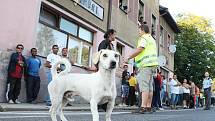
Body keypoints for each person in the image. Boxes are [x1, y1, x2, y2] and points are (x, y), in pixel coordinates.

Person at [124, 24, 158, 113]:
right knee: (150, 87)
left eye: (139, 30)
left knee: (144, 87)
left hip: (145, 65)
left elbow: (140, 49)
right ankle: (148, 106)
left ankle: (143, 107)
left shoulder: (143, 38)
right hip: (153, 65)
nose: (138, 32)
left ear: (142, 30)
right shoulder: (152, 39)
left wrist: (128, 57)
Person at [84, 29, 116, 111]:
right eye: (114, 34)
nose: (115, 36)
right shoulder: (104, 43)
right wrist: (97, 67)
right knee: (101, 86)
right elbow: (100, 57)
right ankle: (99, 104)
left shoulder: (111, 45)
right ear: (110, 34)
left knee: (107, 86)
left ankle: (104, 105)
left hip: (109, 70)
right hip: (103, 70)